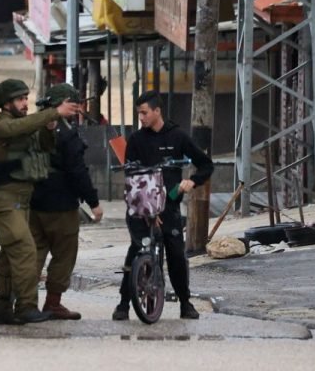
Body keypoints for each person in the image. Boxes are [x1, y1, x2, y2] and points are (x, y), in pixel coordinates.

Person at [112, 90, 214, 321]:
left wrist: (192, 181)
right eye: (139, 113)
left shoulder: (178, 136)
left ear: (157, 111)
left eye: (144, 112)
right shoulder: (136, 140)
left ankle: (185, 303)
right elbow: (131, 175)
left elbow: (205, 165)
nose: (141, 118)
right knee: (135, 252)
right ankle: (123, 303)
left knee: (176, 254)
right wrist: (147, 210)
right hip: (141, 206)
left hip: (169, 206)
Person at [0, 78, 81, 325]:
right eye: (20, 99)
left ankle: (2, 308)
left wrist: (49, 127)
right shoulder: (0, 125)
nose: (25, 103)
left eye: (26, 98)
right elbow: (17, 129)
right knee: (25, 249)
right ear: (6, 103)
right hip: (5, 198)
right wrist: (53, 112)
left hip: (23, 199)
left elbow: (45, 146)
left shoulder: (25, 125)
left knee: (8, 255)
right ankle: (26, 306)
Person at [30, 83, 104, 320]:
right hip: (61, 206)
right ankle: (53, 303)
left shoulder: (31, 127)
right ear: (61, 104)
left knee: (34, 254)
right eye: (73, 103)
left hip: (33, 202)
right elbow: (77, 171)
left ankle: (25, 303)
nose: (77, 108)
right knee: (64, 255)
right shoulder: (66, 133)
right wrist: (94, 202)